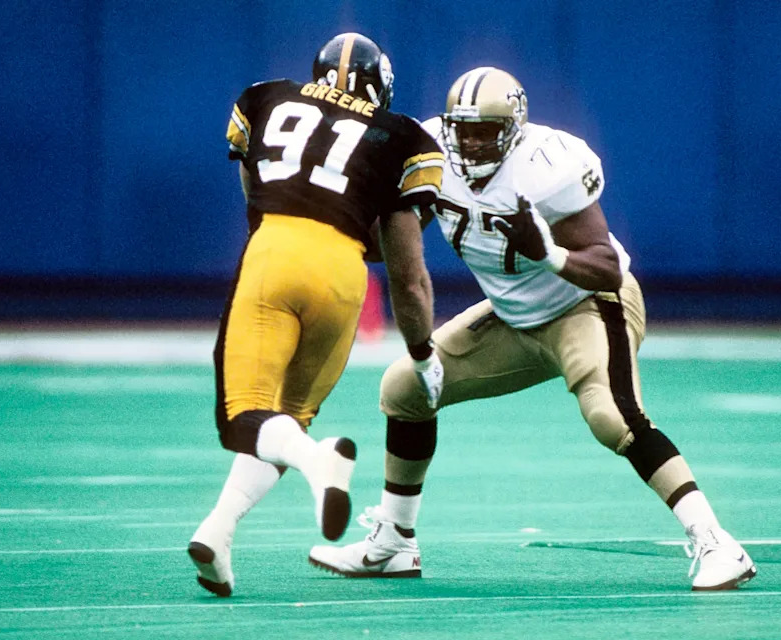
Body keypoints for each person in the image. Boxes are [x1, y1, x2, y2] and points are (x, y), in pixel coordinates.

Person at [308, 67, 757, 591]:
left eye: (486, 130)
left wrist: (548, 252)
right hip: (514, 316)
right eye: (463, 129)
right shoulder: (428, 151)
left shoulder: (547, 165)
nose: (471, 141)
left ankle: (716, 540)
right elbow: (390, 247)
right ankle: (394, 543)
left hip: (586, 305)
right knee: (405, 389)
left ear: (513, 128)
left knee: (613, 417)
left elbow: (607, 267)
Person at [187, 33, 446, 597]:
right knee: (288, 415)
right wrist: (423, 353)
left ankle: (319, 460)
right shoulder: (403, 136)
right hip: (343, 275)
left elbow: (255, 192)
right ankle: (218, 534)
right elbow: (405, 272)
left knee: (244, 417)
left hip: (275, 252)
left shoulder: (265, 97)